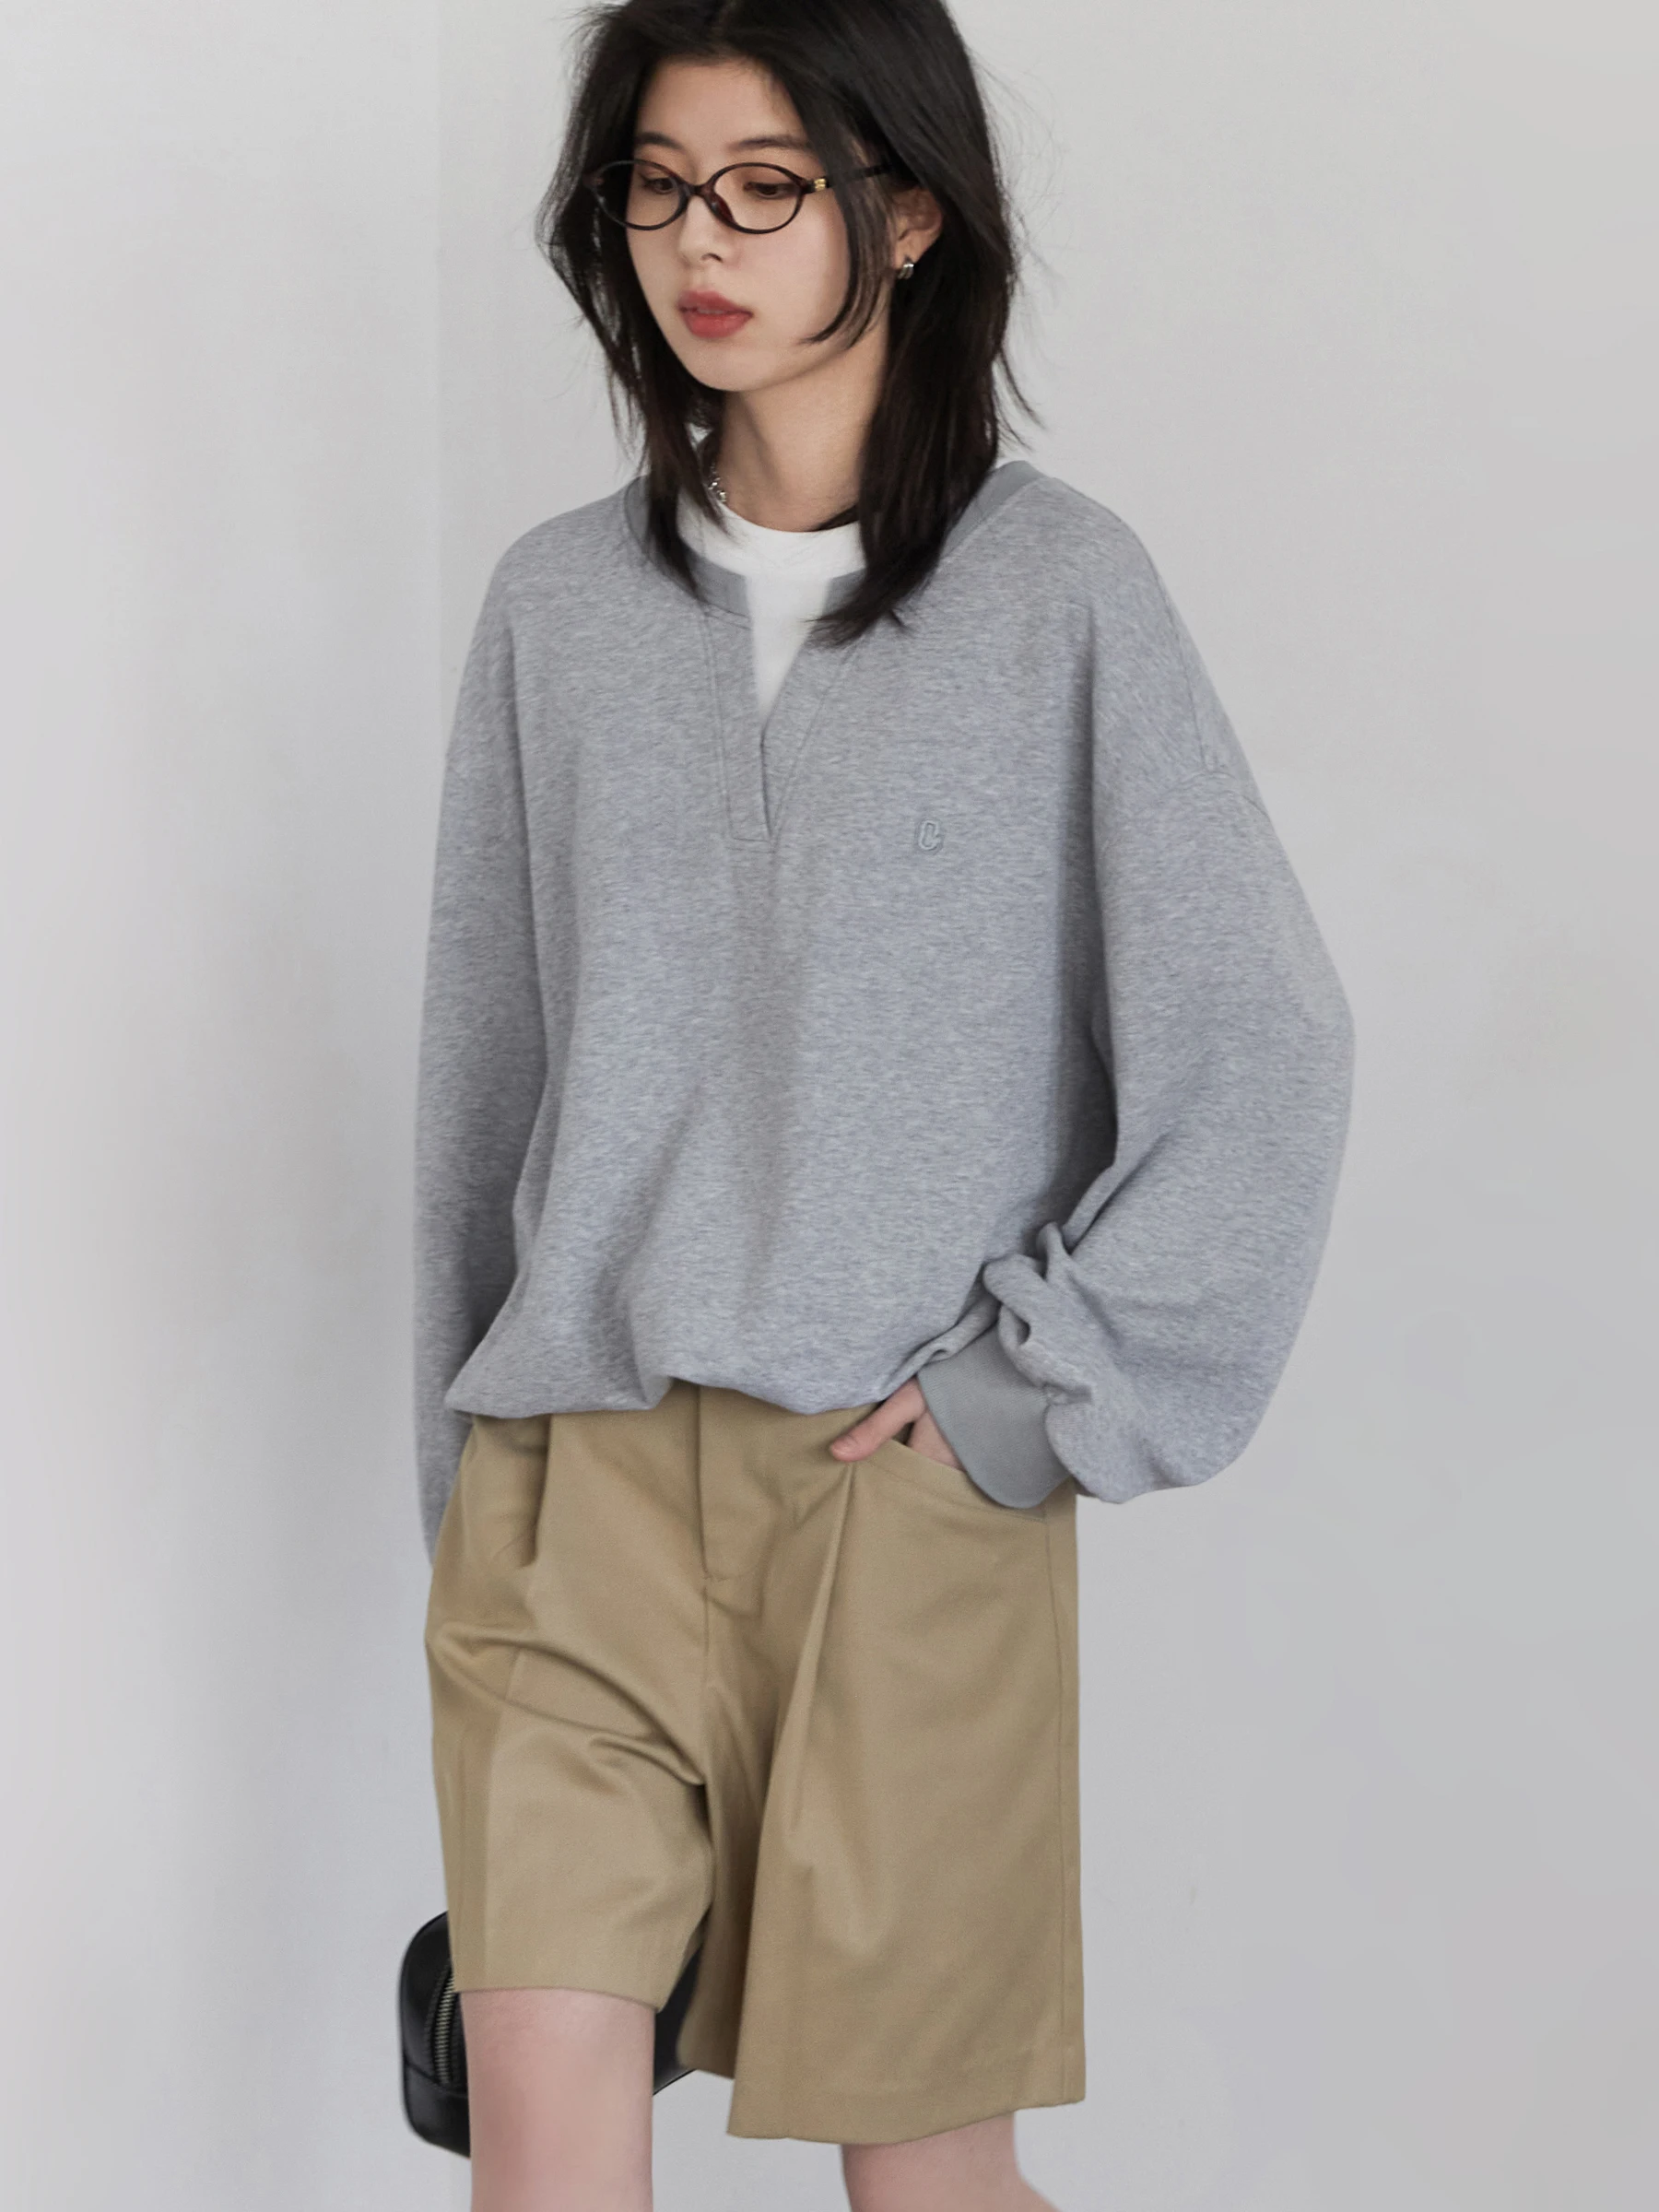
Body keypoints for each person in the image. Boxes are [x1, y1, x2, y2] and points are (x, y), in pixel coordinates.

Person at [413, 2, 1356, 2206]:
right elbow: (485, 1089)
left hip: (898, 1497)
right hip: (577, 1497)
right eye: (658, 187)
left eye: (767, 189)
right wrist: (460, 1502)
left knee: (920, 2181)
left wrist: (1029, 1393)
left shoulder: (1059, 592)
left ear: (905, 215)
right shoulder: (555, 609)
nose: (699, 244)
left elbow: (1266, 1043)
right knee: (539, 2142)